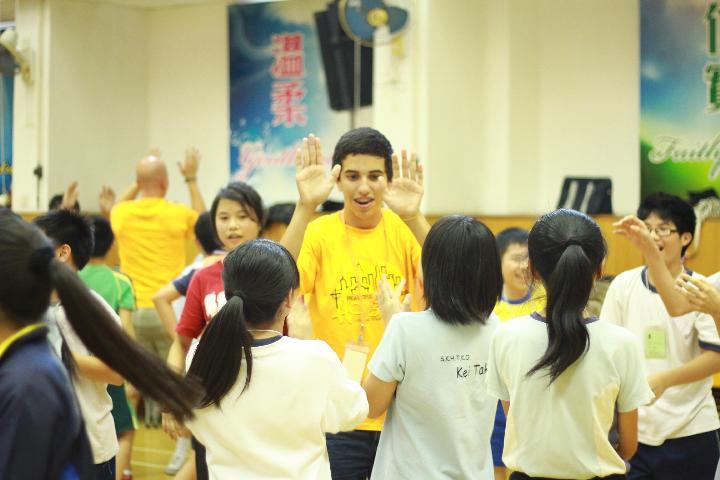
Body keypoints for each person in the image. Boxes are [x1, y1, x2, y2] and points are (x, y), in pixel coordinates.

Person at [0, 210, 199, 479]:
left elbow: (118, 373)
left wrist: (61, 357)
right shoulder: (33, 309)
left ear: (62, 253)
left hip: (90, 446)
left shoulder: (88, 308)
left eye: (37, 245)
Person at [280, 129, 430, 478]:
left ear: (388, 180)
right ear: (337, 180)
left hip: (401, 409)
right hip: (337, 410)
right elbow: (278, 281)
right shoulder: (319, 233)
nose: (364, 187)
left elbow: (451, 274)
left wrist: (414, 217)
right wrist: (305, 207)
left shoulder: (403, 229)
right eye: (352, 176)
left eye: (375, 176)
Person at [487, 209, 653, 480]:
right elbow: (628, 445)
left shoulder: (505, 337)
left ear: (532, 270)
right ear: (599, 270)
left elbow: (515, 422)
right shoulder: (623, 343)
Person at [185, 239, 369, 479]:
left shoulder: (200, 354)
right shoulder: (314, 358)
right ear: (288, 299)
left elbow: (197, 424)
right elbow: (353, 413)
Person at [363, 215, 503, 479]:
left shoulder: (404, 328)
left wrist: (389, 324)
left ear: (432, 273)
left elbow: (370, 406)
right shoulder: (498, 329)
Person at [603, 193, 720, 479]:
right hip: (634, 428)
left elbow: (716, 356)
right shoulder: (624, 285)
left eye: (663, 229)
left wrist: (664, 380)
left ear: (686, 237)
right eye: (647, 228)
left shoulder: (702, 286)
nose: (653, 236)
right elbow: (606, 349)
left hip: (690, 427)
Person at [165, 181, 265, 479]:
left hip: (262, 406)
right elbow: (181, 343)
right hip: (211, 402)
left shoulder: (276, 274)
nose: (232, 225)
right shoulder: (203, 277)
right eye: (224, 217)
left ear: (259, 222)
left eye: (243, 216)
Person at [110, 148, 205, 426]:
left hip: (132, 313)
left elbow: (116, 206)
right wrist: (191, 179)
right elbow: (205, 225)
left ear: (139, 183)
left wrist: (138, 182)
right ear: (165, 183)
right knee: (174, 376)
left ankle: (136, 430)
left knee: (142, 376)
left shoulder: (121, 212)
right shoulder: (176, 213)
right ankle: (177, 437)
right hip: (167, 310)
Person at [79, 216, 138, 480]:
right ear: (112, 245)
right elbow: (126, 332)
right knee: (124, 429)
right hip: (109, 364)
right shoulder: (120, 281)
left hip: (78, 362)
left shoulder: (72, 277)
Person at [490, 227, 546, 480]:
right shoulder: (487, 306)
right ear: (498, 262)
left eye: (528, 259)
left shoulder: (545, 302)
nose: (524, 266)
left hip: (533, 407)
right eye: (516, 258)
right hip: (495, 409)